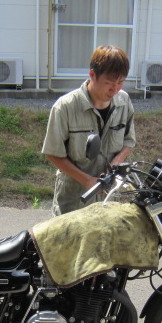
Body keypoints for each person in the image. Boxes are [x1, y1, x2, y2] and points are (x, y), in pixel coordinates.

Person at [41, 45, 136, 216]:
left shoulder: (124, 102)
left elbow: (128, 141)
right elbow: (52, 153)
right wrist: (86, 180)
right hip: (73, 200)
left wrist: (115, 164)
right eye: (109, 83)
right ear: (92, 74)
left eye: (120, 82)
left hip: (109, 199)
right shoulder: (65, 107)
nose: (115, 89)